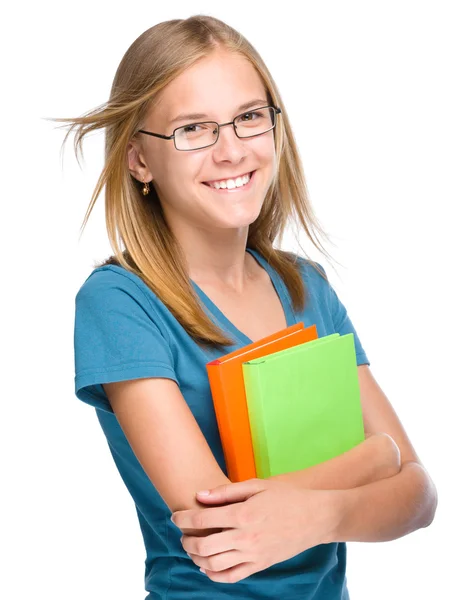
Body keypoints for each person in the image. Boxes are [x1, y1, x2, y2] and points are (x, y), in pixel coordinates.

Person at [57, 14, 437, 600]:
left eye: (249, 117)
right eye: (193, 129)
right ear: (139, 161)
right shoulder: (120, 303)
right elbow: (218, 528)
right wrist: (372, 462)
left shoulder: (307, 289)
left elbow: (418, 497)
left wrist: (321, 515)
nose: (232, 150)